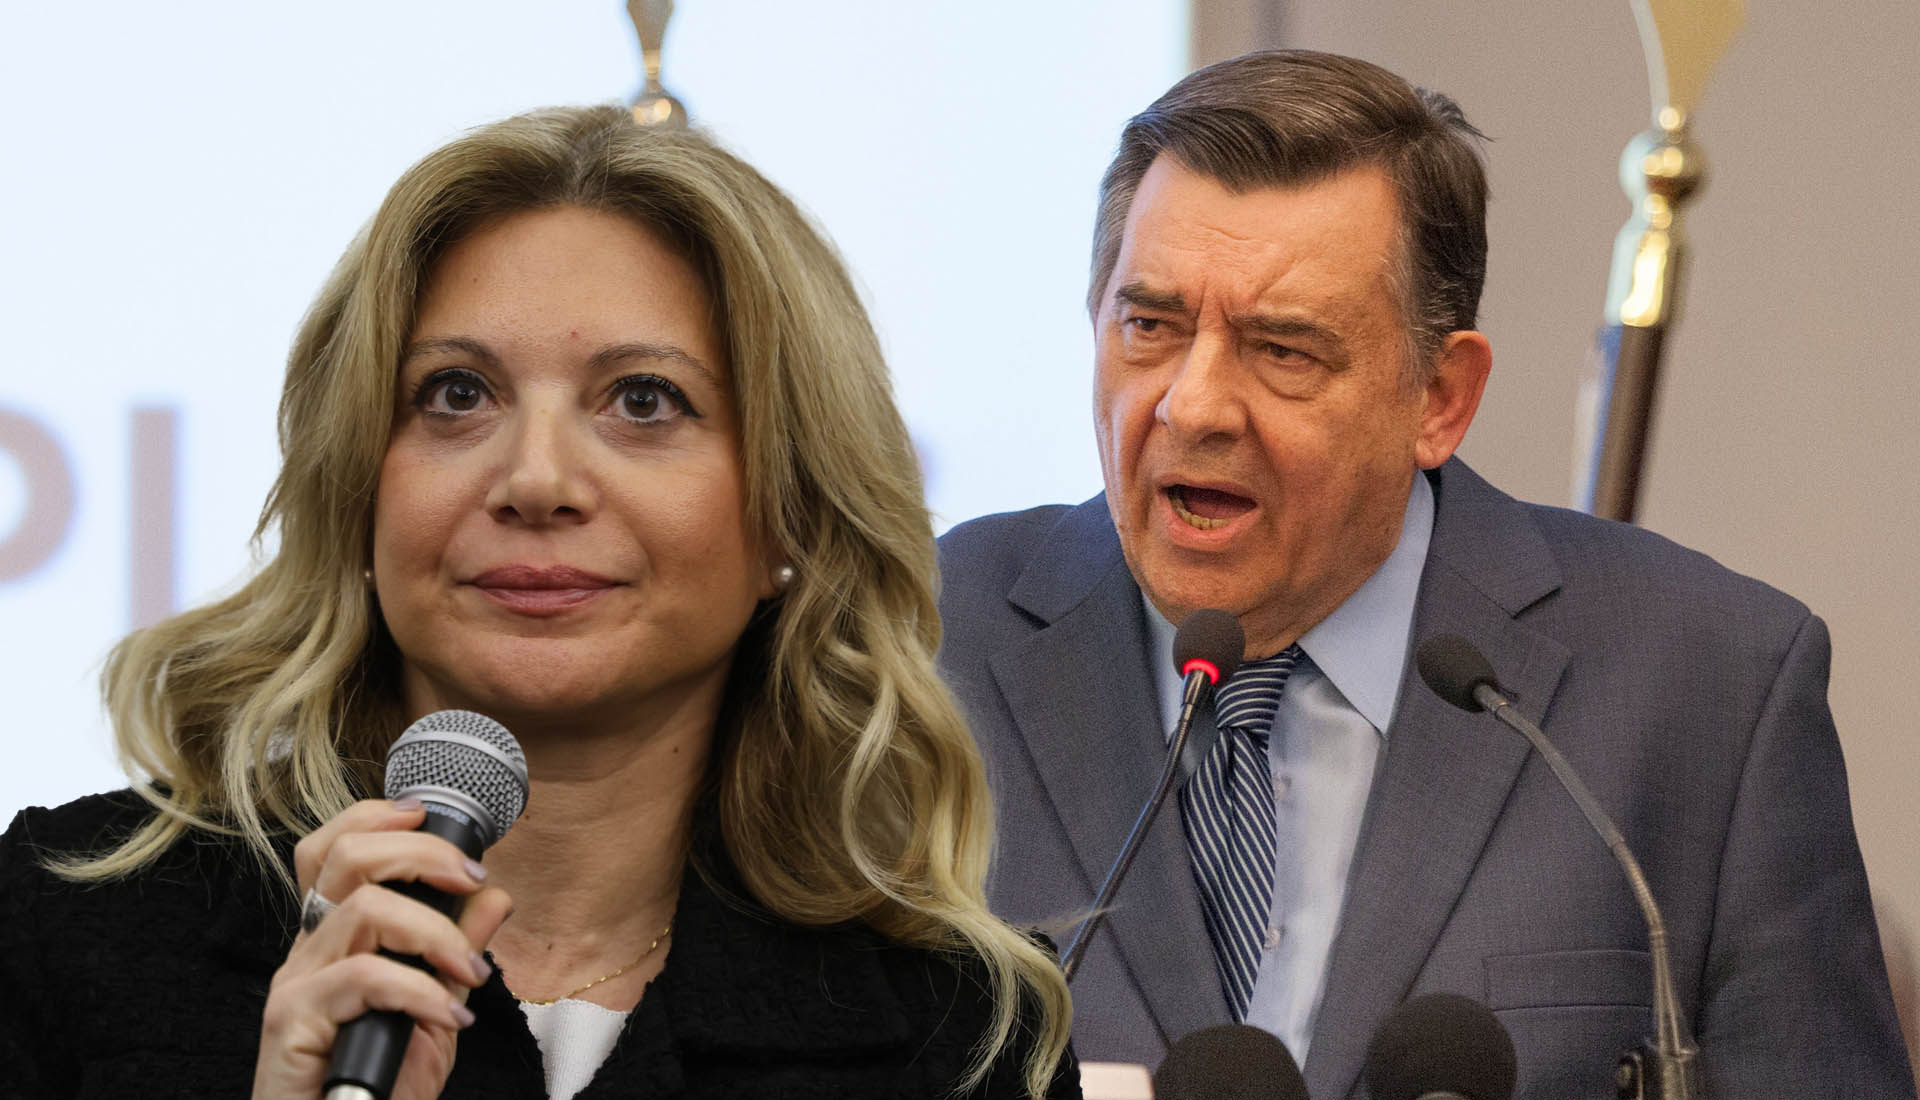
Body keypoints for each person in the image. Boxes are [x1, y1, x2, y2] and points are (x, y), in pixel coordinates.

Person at [0, 105, 1076, 1100]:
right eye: (456, 394)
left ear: (788, 516)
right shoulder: (64, 927)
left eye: (644, 401)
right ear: (359, 487)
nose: (536, 480)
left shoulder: (963, 1035)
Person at [935, 49, 1915, 1099]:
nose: (1194, 405)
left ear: (1441, 398)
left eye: (1284, 350)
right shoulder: (921, 642)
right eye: (1150, 326)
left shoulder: (1710, 688)